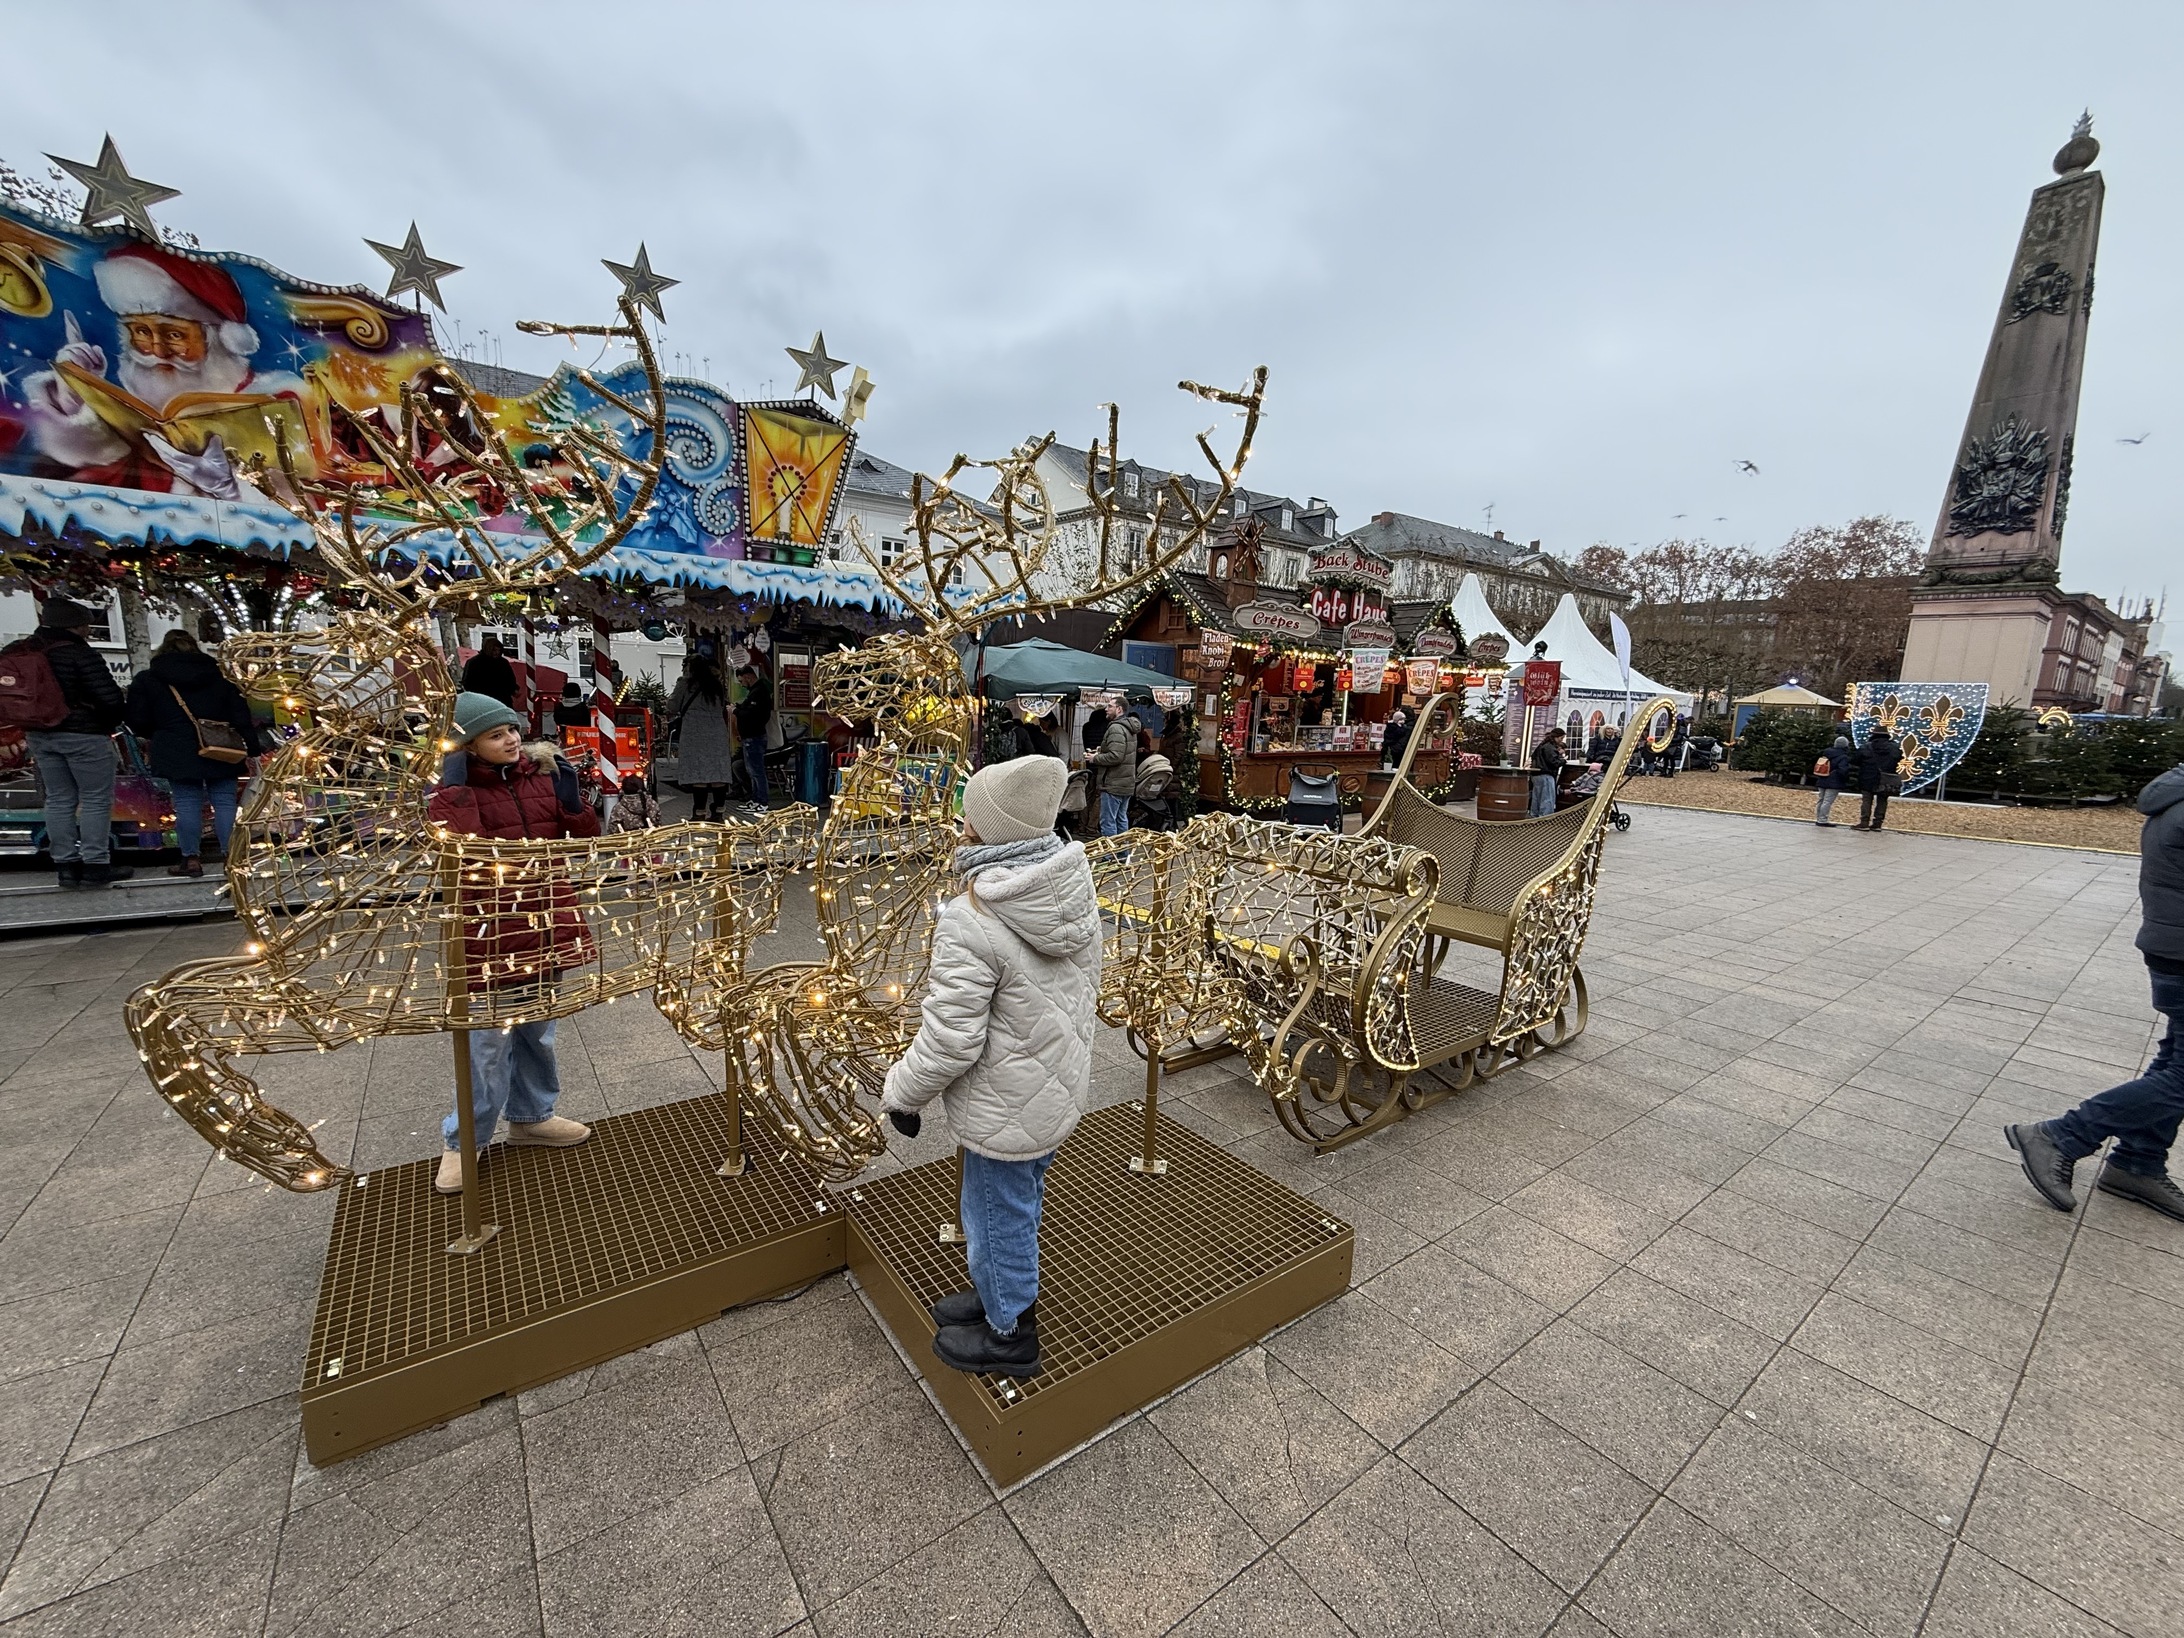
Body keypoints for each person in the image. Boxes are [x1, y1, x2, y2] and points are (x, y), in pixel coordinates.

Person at [879, 753, 1100, 1377]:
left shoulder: (973, 918)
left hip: (1005, 1103)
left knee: (996, 1215)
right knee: (1014, 1203)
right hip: (1050, 1090)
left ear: (989, 829)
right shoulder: (1067, 891)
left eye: (969, 816)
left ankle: (1009, 1333)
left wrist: (902, 1093)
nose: (962, 825)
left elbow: (950, 1040)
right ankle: (995, 1294)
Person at [428, 692, 599, 1194]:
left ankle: (531, 1116)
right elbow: (467, 853)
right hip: (493, 933)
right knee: (487, 1043)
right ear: (467, 746)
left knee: (538, 1031)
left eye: (512, 730)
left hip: (547, 924)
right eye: (495, 735)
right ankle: (465, 1140)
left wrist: (574, 803)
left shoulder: (538, 775)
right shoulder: (452, 794)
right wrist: (456, 794)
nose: (510, 741)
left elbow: (582, 838)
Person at [2008, 762, 2184, 1222]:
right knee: (2181, 1073)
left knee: (2176, 1063)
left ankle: (2137, 1163)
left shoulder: (2173, 797)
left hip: (2172, 947)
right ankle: (2062, 1135)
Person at [20, 242, 305, 495]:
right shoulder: (133, 409)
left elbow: (312, 494)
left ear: (220, 340)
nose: (158, 350)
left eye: (174, 335)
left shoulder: (278, 397)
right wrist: (74, 400)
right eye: (142, 332)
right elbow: (87, 479)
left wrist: (235, 487)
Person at [5, 597, 130, 888]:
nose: (89, 629)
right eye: (87, 623)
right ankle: (96, 865)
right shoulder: (79, 653)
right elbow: (109, 698)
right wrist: (109, 722)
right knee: (95, 799)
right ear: (76, 625)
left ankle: (65, 866)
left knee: (58, 798)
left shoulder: (23, 651)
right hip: (84, 734)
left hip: (39, 733)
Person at [124, 631, 263, 878]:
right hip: (220, 746)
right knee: (225, 802)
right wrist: (252, 746)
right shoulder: (217, 677)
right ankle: (232, 859)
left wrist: (160, 734)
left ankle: (190, 860)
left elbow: (137, 718)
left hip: (175, 748)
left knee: (187, 803)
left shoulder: (149, 679)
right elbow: (241, 715)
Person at [668, 654, 734, 820]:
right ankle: (719, 811)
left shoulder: (685, 683)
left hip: (694, 731)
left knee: (698, 773)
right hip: (717, 731)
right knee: (718, 772)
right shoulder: (716, 684)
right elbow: (721, 706)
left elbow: (673, 706)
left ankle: (699, 812)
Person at [1089, 703, 1138, 836]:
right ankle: (1123, 849)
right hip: (1126, 781)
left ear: (1119, 709)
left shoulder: (1116, 728)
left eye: (1110, 706)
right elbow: (1121, 752)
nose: (1106, 709)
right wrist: (1102, 751)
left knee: (1108, 821)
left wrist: (1095, 758)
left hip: (1113, 782)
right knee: (1121, 818)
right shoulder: (1129, 727)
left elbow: (1116, 756)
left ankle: (1110, 850)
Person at [734, 662, 773, 813]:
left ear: (748, 677)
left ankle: (762, 802)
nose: (741, 684)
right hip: (750, 737)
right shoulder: (755, 692)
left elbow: (752, 714)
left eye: (741, 681)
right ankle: (756, 799)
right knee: (751, 771)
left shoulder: (758, 692)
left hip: (754, 737)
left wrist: (736, 711)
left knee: (757, 771)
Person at [1856, 726, 1901, 831]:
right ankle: (1878, 823)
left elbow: (1856, 760)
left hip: (1868, 777)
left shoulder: (1866, 747)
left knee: (1867, 800)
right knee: (1882, 800)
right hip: (1886, 778)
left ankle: (1864, 822)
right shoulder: (1894, 748)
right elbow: (1899, 758)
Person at [460, 636, 517, 707]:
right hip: (483, 700)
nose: (497, 653)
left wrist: (513, 689)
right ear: (488, 649)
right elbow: (468, 683)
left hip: (502, 699)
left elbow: (510, 679)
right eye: (494, 650)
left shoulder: (503, 662)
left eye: (499, 650)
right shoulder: (474, 663)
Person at [1814, 730, 1855, 828]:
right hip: (1834, 781)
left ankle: (1819, 818)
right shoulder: (1843, 756)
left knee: (1821, 800)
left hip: (1822, 778)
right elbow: (1843, 770)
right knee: (1827, 801)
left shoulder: (1826, 753)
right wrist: (1845, 779)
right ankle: (1822, 820)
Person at [1528, 727, 1568, 817]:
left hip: (1536, 774)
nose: (1561, 740)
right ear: (1556, 737)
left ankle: (1534, 816)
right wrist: (1563, 761)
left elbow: (1534, 757)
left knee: (1536, 797)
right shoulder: (1550, 747)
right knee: (1547, 798)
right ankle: (1545, 817)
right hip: (1546, 774)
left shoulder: (1541, 746)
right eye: (1561, 738)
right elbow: (1554, 762)